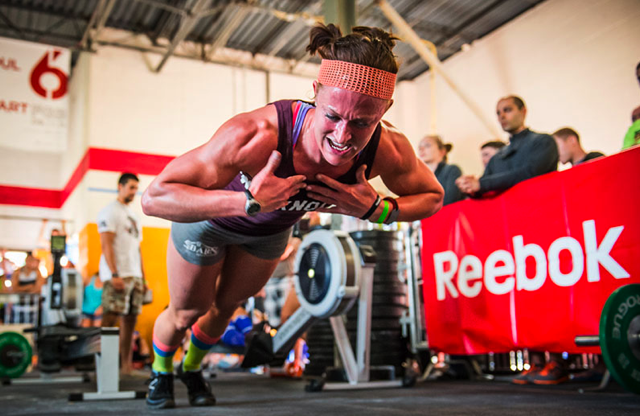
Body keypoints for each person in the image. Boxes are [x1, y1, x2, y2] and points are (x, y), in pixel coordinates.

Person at [141, 23, 444, 409]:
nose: (343, 136)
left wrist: (377, 209)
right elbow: (155, 198)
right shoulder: (258, 133)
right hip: (210, 222)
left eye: (362, 122)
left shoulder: (388, 149)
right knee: (188, 311)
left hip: (268, 234)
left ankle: (192, 368)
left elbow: (433, 197)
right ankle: (161, 371)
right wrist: (247, 202)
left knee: (224, 308)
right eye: (333, 115)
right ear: (315, 94)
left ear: (383, 111)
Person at [456, 96, 558, 196]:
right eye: (498, 113)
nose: (502, 116)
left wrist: (482, 184)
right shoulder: (496, 158)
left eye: (507, 110)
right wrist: (468, 186)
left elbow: (531, 173)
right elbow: (483, 189)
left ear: (523, 111)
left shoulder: (543, 142)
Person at [98, 172, 147, 375]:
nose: (134, 192)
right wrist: (114, 273)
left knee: (131, 319)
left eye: (136, 188)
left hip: (134, 275)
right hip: (117, 274)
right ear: (120, 186)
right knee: (110, 318)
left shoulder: (133, 215)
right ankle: (105, 368)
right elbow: (106, 244)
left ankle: (125, 366)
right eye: (131, 187)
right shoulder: (109, 211)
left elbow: (138, 249)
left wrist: (143, 278)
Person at [418, 135, 464, 205]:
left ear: (442, 151)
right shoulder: (420, 176)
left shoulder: (452, 170)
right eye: (419, 147)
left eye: (427, 145)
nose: (421, 149)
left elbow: (451, 200)